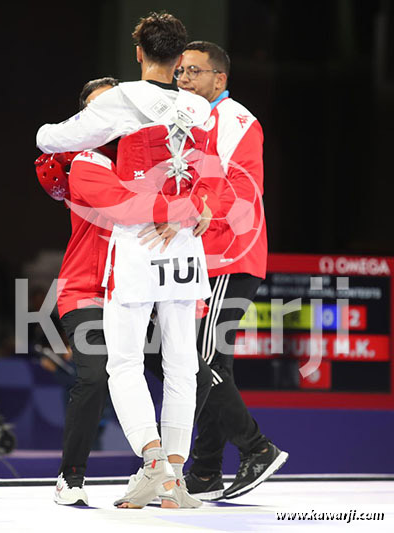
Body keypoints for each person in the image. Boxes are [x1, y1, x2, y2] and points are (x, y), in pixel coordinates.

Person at [36, 13, 219, 509]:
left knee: (124, 362)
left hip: (139, 242)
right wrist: (191, 205)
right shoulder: (201, 109)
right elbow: (211, 175)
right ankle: (173, 481)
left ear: (139, 53)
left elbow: (50, 140)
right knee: (183, 361)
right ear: (182, 60)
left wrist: (57, 132)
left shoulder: (120, 101)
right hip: (184, 245)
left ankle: (156, 461)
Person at [173, 41, 289, 500]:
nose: (183, 79)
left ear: (219, 79)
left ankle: (257, 448)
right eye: (180, 71)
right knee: (213, 362)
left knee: (200, 361)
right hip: (205, 259)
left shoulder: (235, 121)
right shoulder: (193, 121)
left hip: (229, 256)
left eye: (194, 72)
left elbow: (242, 188)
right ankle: (204, 471)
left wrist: (198, 211)